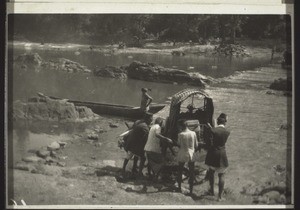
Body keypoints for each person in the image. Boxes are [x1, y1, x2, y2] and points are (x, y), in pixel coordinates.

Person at [205, 113, 230, 201]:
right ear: (225, 123)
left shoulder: (213, 130)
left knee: (211, 172)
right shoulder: (227, 132)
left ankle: (211, 191)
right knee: (221, 175)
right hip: (222, 153)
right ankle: (219, 196)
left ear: (217, 121)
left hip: (212, 153)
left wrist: (211, 128)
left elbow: (210, 142)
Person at [122, 112, 153, 178]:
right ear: (147, 119)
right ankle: (139, 173)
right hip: (135, 144)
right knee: (143, 157)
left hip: (130, 142)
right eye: (151, 119)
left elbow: (132, 128)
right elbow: (146, 138)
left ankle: (127, 169)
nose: (151, 120)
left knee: (130, 155)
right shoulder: (145, 127)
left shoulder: (138, 121)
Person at [176, 119, 198, 195]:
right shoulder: (193, 133)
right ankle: (191, 191)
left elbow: (179, 144)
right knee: (191, 172)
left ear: (181, 126)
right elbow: (196, 145)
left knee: (180, 170)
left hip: (182, 152)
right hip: (191, 153)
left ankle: (179, 187)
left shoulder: (180, 134)